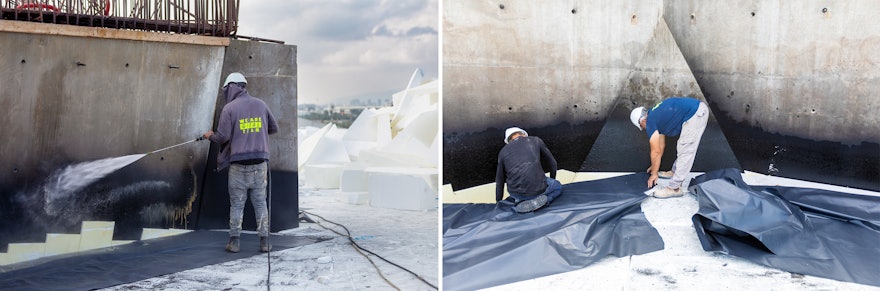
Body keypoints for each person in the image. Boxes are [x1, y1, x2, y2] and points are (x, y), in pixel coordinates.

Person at [203, 72, 279, 253]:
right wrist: (255, 134)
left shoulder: (230, 108)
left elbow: (223, 137)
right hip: (260, 164)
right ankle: (265, 242)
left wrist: (209, 136)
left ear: (230, 87)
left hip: (238, 165)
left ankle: (234, 242)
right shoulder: (261, 104)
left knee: (237, 204)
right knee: (260, 203)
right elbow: (273, 128)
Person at [630, 97, 709, 198]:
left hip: (695, 113)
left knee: (686, 150)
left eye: (642, 126)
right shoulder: (655, 115)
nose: (644, 129)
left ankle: (675, 188)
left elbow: (655, 151)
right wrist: (654, 167)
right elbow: (661, 146)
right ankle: (675, 172)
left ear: (642, 121)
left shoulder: (650, 121)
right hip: (695, 110)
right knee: (682, 147)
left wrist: (654, 174)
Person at [495, 127, 562, 213]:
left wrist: (498, 202)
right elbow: (553, 163)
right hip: (540, 189)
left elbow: (499, 181)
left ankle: (520, 201)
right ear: (523, 134)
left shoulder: (502, 152)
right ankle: (547, 199)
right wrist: (552, 181)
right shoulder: (535, 140)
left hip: (518, 195)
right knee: (557, 187)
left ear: (509, 140)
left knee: (517, 192)